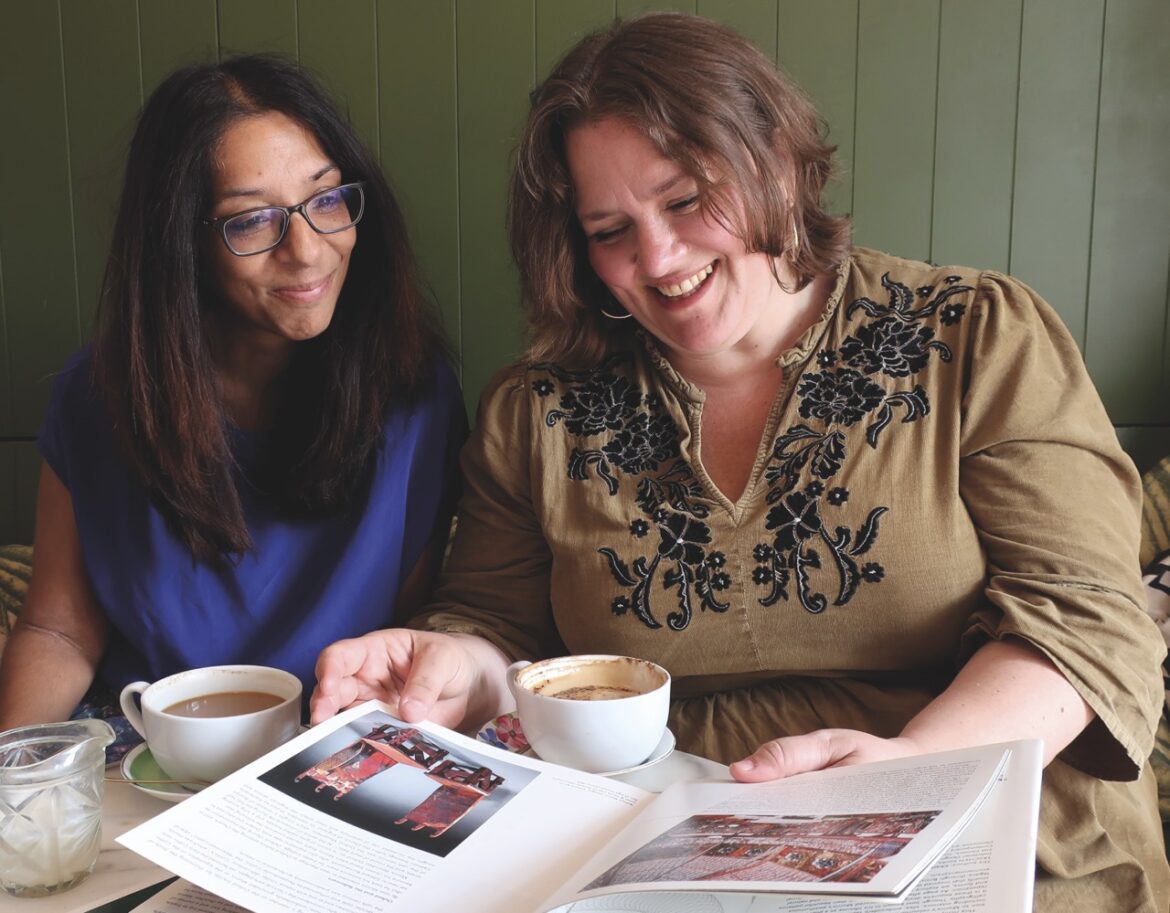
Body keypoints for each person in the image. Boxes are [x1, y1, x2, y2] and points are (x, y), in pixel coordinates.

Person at [310, 13, 1169, 909]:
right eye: (610, 230)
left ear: (775, 160)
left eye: (684, 201)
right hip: (671, 858)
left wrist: (913, 771)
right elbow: (501, 631)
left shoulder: (977, 336)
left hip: (985, 813)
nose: (658, 257)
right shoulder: (539, 410)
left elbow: (1087, 618)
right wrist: (457, 663)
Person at [0, 54, 465, 743]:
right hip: (152, 747)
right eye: (252, 221)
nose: (307, 250)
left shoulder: (412, 388)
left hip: (335, 739)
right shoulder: (97, 397)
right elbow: (59, 630)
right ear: (181, 245)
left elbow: (414, 629)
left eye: (327, 199)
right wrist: (13, 775)